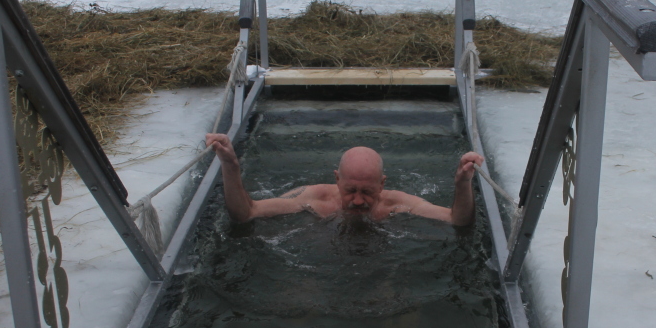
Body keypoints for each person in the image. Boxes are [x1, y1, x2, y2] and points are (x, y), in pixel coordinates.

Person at [205, 135, 484, 226]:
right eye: (350, 190)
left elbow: (455, 219)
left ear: (383, 185)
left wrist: (462, 183)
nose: (359, 200)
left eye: (368, 192)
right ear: (337, 180)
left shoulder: (398, 204)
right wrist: (231, 167)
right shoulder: (311, 199)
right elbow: (247, 213)